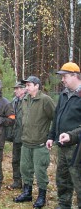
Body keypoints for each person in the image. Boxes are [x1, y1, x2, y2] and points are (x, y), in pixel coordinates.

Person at [14, 76, 55, 208]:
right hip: (26, 142)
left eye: (29, 85)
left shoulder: (45, 100)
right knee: (25, 169)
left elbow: (55, 118)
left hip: (40, 144)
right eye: (25, 85)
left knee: (40, 171)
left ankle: (42, 196)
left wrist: (50, 136)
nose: (26, 87)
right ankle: (27, 193)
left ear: (37, 86)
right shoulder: (25, 99)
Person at [46, 62, 81, 209]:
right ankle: (64, 205)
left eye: (65, 76)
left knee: (78, 182)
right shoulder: (63, 95)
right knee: (62, 179)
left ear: (75, 76)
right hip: (62, 146)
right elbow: (56, 117)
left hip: (77, 149)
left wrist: (71, 136)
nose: (62, 80)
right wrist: (51, 136)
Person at [5, 82, 27, 190]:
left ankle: (27, 183)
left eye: (17, 88)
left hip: (26, 136)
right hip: (16, 136)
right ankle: (17, 181)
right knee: (15, 160)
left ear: (24, 89)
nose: (15, 91)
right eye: (15, 88)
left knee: (25, 162)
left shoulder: (28, 101)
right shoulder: (14, 101)